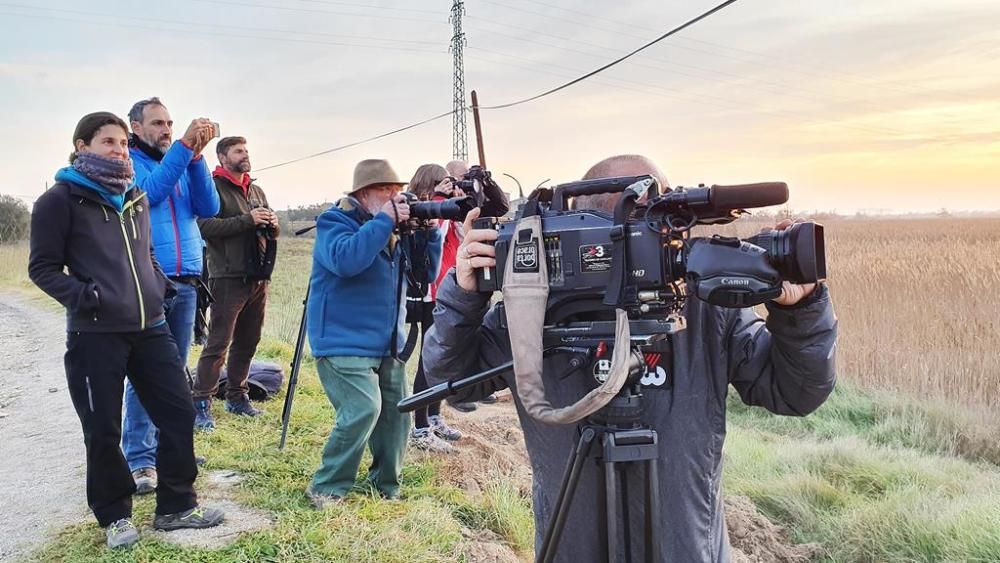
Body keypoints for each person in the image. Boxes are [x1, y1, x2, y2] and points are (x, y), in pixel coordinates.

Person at [422, 154, 838, 562]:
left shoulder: (702, 306)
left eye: (653, 222)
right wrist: (465, 294)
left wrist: (800, 310)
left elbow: (794, 393)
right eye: (621, 224)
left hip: (685, 547)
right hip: (574, 546)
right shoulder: (531, 310)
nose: (638, 242)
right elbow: (449, 378)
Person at [28, 112, 224, 549]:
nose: (118, 150)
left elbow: (145, 253)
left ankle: (176, 506)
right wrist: (89, 297)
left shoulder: (133, 194)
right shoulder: (59, 200)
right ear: (82, 147)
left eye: (120, 142)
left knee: (177, 413)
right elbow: (42, 269)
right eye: (108, 142)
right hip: (95, 335)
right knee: (101, 428)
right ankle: (115, 515)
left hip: (150, 327)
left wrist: (157, 288)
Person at [304, 159, 442, 506]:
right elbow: (345, 261)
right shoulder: (335, 221)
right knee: (364, 407)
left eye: (398, 190)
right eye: (386, 190)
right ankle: (327, 486)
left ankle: (386, 486)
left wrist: (428, 232)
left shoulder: (393, 230)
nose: (396, 196)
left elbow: (426, 276)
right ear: (364, 193)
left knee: (398, 412)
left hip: (386, 343)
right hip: (342, 340)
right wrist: (384, 222)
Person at [121, 97, 220, 495]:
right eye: (158, 123)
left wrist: (196, 159)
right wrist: (183, 148)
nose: (166, 129)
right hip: (151, 279)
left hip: (188, 277)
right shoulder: (130, 163)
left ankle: (168, 452)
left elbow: (207, 206)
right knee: (145, 372)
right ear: (135, 126)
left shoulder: (180, 160)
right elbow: (150, 196)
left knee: (174, 372)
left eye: (170, 123)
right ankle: (139, 459)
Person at [193, 136, 278, 429]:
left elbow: (262, 226)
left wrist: (272, 225)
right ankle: (200, 403)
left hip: (257, 276)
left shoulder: (256, 189)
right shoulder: (214, 188)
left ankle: (237, 397)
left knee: (249, 341)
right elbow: (203, 226)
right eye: (238, 151)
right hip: (227, 277)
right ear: (222, 157)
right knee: (218, 343)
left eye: (246, 150)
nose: (245, 155)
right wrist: (248, 220)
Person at [404, 164, 463, 453]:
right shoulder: (418, 207)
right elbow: (432, 235)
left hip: (447, 286)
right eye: (444, 183)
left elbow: (459, 237)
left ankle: (434, 416)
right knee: (428, 361)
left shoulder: (445, 206)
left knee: (442, 358)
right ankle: (420, 427)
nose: (449, 188)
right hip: (427, 291)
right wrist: (438, 202)